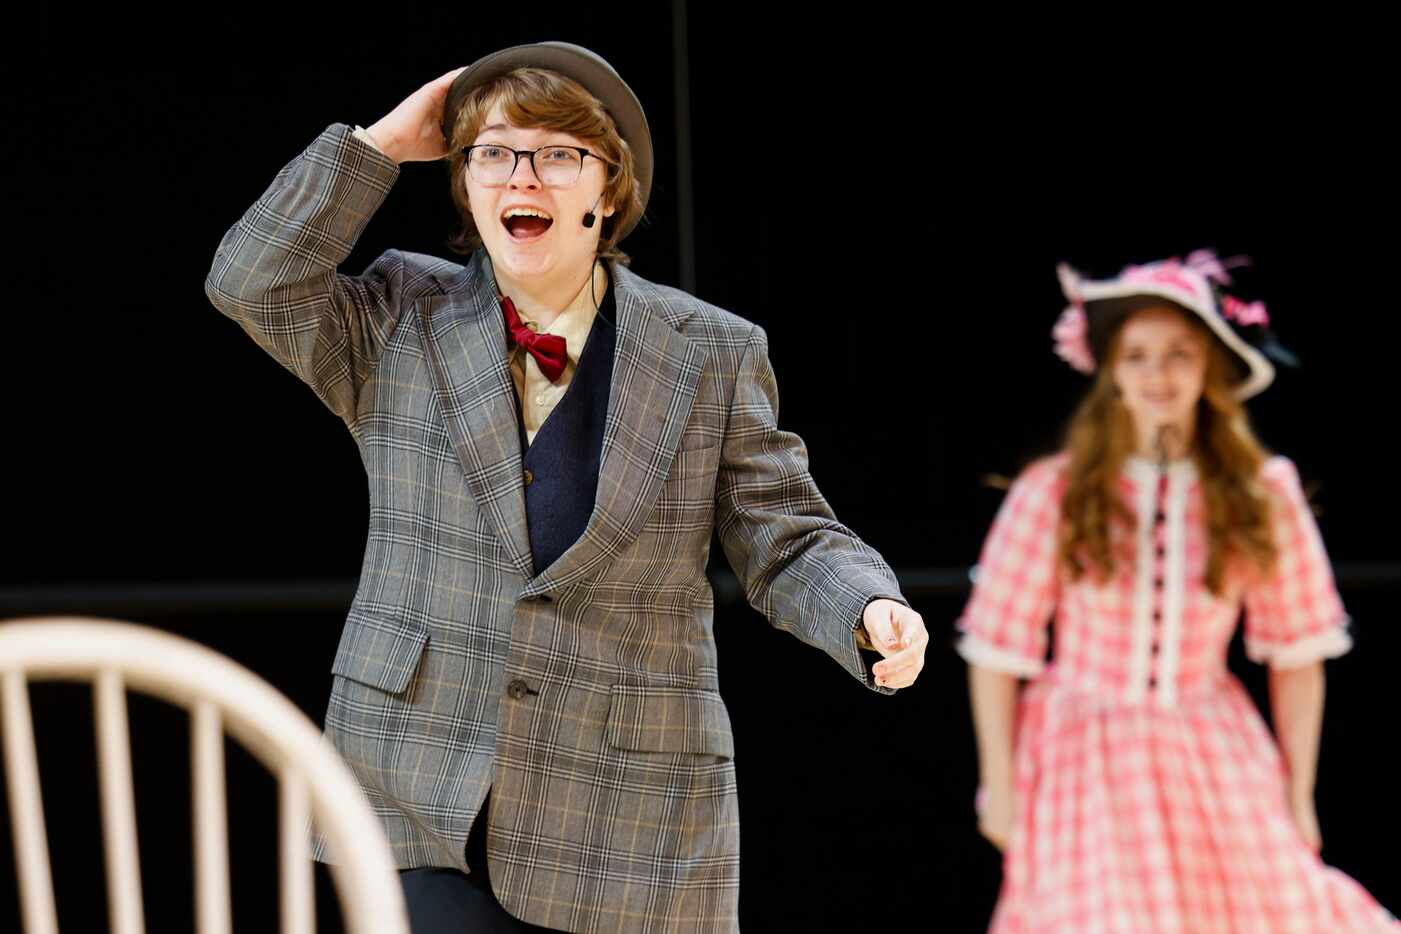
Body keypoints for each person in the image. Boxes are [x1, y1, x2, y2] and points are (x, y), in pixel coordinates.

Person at [204, 41, 928, 933]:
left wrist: (865, 607)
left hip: (632, 817)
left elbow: (784, 534)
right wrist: (380, 146)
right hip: (419, 786)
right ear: (466, 183)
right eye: (495, 154)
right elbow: (250, 280)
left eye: (556, 155)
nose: (524, 177)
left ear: (608, 189)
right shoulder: (398, 313)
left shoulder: (707, 349)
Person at [958, 251, 1397, 931]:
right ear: (1111, 372)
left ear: (1208, 369)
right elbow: (995, 649)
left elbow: (1297, 655)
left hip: (1205, 740)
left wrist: (1297, 792)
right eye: (1136, 356)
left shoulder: (1259, 493)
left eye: (1177, 354)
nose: (1156, 374)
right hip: (1084, 752)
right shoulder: (1058, 490)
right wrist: (1001, 787)